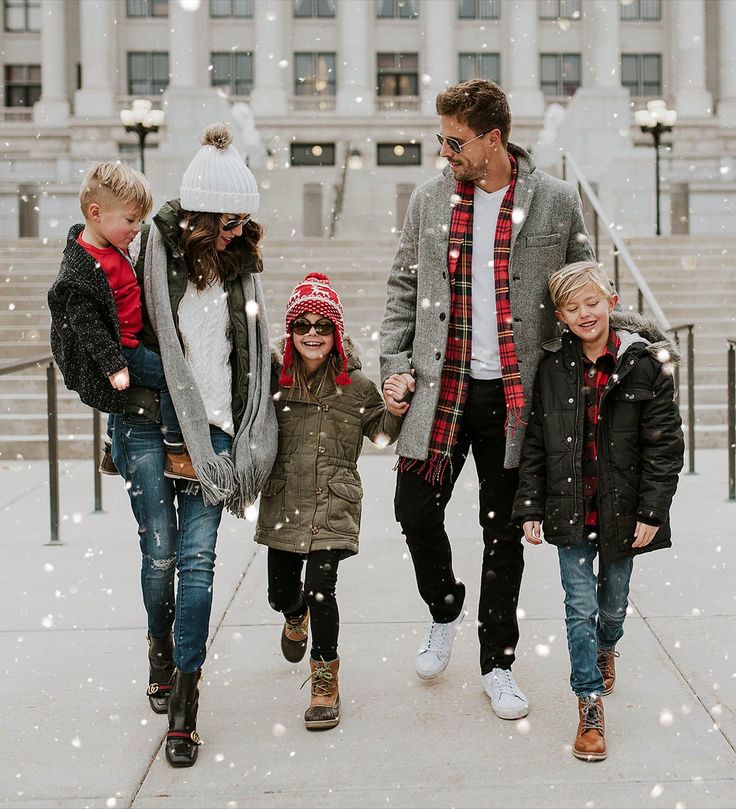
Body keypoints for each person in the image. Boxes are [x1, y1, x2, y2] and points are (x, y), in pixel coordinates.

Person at [379, 79, 595, 720]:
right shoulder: (430, 199)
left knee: (503, 535)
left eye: (455, 141)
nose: (445, 151)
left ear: (492, 139)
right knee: (413, 510)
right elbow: (401, 287)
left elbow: (579, 286)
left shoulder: (555, 201)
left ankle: (497, 662)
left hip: (515, 399)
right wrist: (395, 363)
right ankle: (444, 605)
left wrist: (582, 368)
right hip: (440, 388)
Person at [109, 123, 276, 767]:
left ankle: (185, 695)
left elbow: (247, 355)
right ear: (197, 216)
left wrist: (245, 418)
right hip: (150, 421)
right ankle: (160, 642)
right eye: (225, 219)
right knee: (160, 558)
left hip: (215, 431)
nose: (236, 231)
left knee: (199, 564)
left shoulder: (239, 267)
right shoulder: (149, 254)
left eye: (241, 219)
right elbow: (116, 337)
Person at [512, 261, 684, 761]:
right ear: (560, 316)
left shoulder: (644, 364)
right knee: (578, 608)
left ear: (611, 301)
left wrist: (652, 512)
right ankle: (588, 703)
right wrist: (530, 505)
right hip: (569, 510)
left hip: (623, 512)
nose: (584, 314)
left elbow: (665, 445)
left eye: (592, 302)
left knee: (612, 603)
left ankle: (609, 644)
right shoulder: (552, 368)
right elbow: (536, 444)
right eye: (572, 307)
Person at [255, 272, 408, 731]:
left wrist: (396, 410)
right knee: (280, 592)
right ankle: (293, 614)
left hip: (332, 503)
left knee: (323, 587)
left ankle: (325, 677)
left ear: (336, 333)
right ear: (291, 333)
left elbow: (381, 434)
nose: (312, 334)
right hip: (284, 503)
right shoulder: (275, 382)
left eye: (323, 326)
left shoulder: (356, 387)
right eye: (302, 325)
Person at [47, 162, 195, 480]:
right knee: (175, 377)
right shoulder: (83, 266)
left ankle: (112, 448)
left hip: (131, 340)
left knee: (128, 396)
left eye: (139, 220)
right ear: (96, 212)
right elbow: (87, 325)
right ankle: (176, 452)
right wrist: (114, 365)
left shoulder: (111, 247)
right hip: (124, 350)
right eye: (129, 220)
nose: (135, 228)